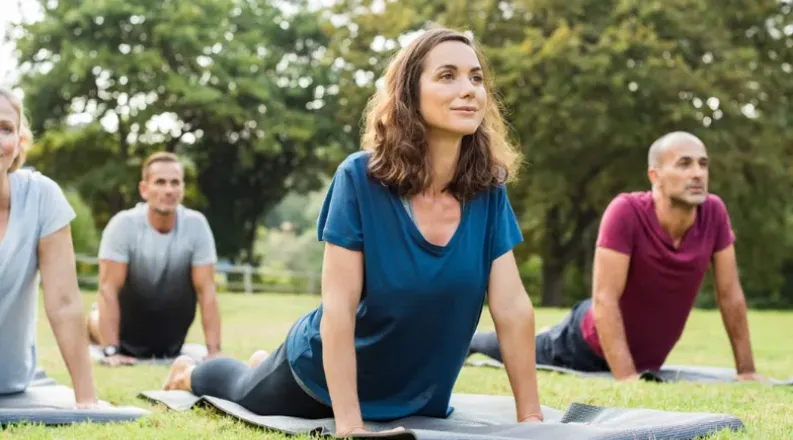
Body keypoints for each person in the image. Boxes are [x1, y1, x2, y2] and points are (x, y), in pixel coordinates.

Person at [161, 27, 543, 436]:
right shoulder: (360, 178)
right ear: (409, 94)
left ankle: (259, 360)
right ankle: (189, 371)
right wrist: (349, 425)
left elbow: (512, 307)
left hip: (415, 393)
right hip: (318, 382)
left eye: (476, 77)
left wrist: (532, 420)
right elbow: (339, 309)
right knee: (238, 387)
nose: (469, 89)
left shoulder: (487, 191)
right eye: (447, 75)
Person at [469, 131, 763, 382]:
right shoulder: (626, 211)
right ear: (655, 175)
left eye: (703, 164)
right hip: (583, 344)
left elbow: (730, 295)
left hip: (644, 359)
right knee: (505, 348)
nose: (698, 173)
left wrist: (747, 372)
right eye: (684, 164)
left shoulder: (714, 212)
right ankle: (465, 341)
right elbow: (605, 299)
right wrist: (627, 379)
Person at [0, 86, 100, 405]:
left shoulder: (41, 197)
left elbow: (65, 303)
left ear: (19, 143)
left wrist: (87, 400)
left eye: (5, 129)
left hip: (9, 380)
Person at [87, 151, 223, 366]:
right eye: (160, 182)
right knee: (95, 316)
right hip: (124, 335)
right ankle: (96, 327)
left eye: (175, 183)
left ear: (182, 188)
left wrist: (214, 351)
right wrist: (112, 351)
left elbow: (206, 290)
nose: (168, 190)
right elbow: (108, 289)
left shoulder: (197, 226)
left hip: (169, 340)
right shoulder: (122, 225)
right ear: (144, 189)